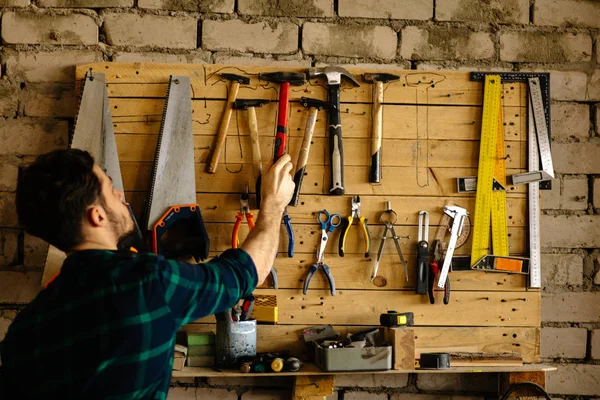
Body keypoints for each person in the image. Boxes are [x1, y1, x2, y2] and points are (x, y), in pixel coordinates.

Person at [0, 148, 294, 399]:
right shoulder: (149, 282)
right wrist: (274, 205)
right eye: (110, 188)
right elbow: (242, 273)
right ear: (97, 215)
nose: (119, 194)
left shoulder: (24, 330)